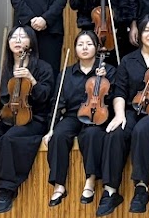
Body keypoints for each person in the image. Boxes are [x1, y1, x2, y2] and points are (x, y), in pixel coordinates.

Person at [0, 26, 55, 213]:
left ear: (31, 42)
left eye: (23, 37)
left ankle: (7, 191)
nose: (17, 40)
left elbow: (46, 97)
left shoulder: (42, 68)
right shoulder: (4, 69)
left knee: (10, 139)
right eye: (13, 37)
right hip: (7, 116)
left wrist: (32, 79)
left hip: (33, 118)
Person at [98, 16, 149, 216]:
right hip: (133, 109)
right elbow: (120, 91)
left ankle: (141, 188)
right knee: (116, 132)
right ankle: (110, 191)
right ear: (139, 34)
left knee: (142, 130)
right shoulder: (128, 60)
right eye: (146, 30)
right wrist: (119, 115)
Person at [44, 31, 113, 208]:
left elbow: (113, 98)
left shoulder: (108, 70)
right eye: (80, 44)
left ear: (96, 47)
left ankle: (90, 180)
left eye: (89, 44)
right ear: (75, 48)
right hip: (72, 115)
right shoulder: (66, 73)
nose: (84, 48)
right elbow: (57, 102)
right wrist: (51, 128)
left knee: (92, 135)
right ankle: (59, 184)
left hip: (97, 115)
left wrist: (105, 79)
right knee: (59, 135)